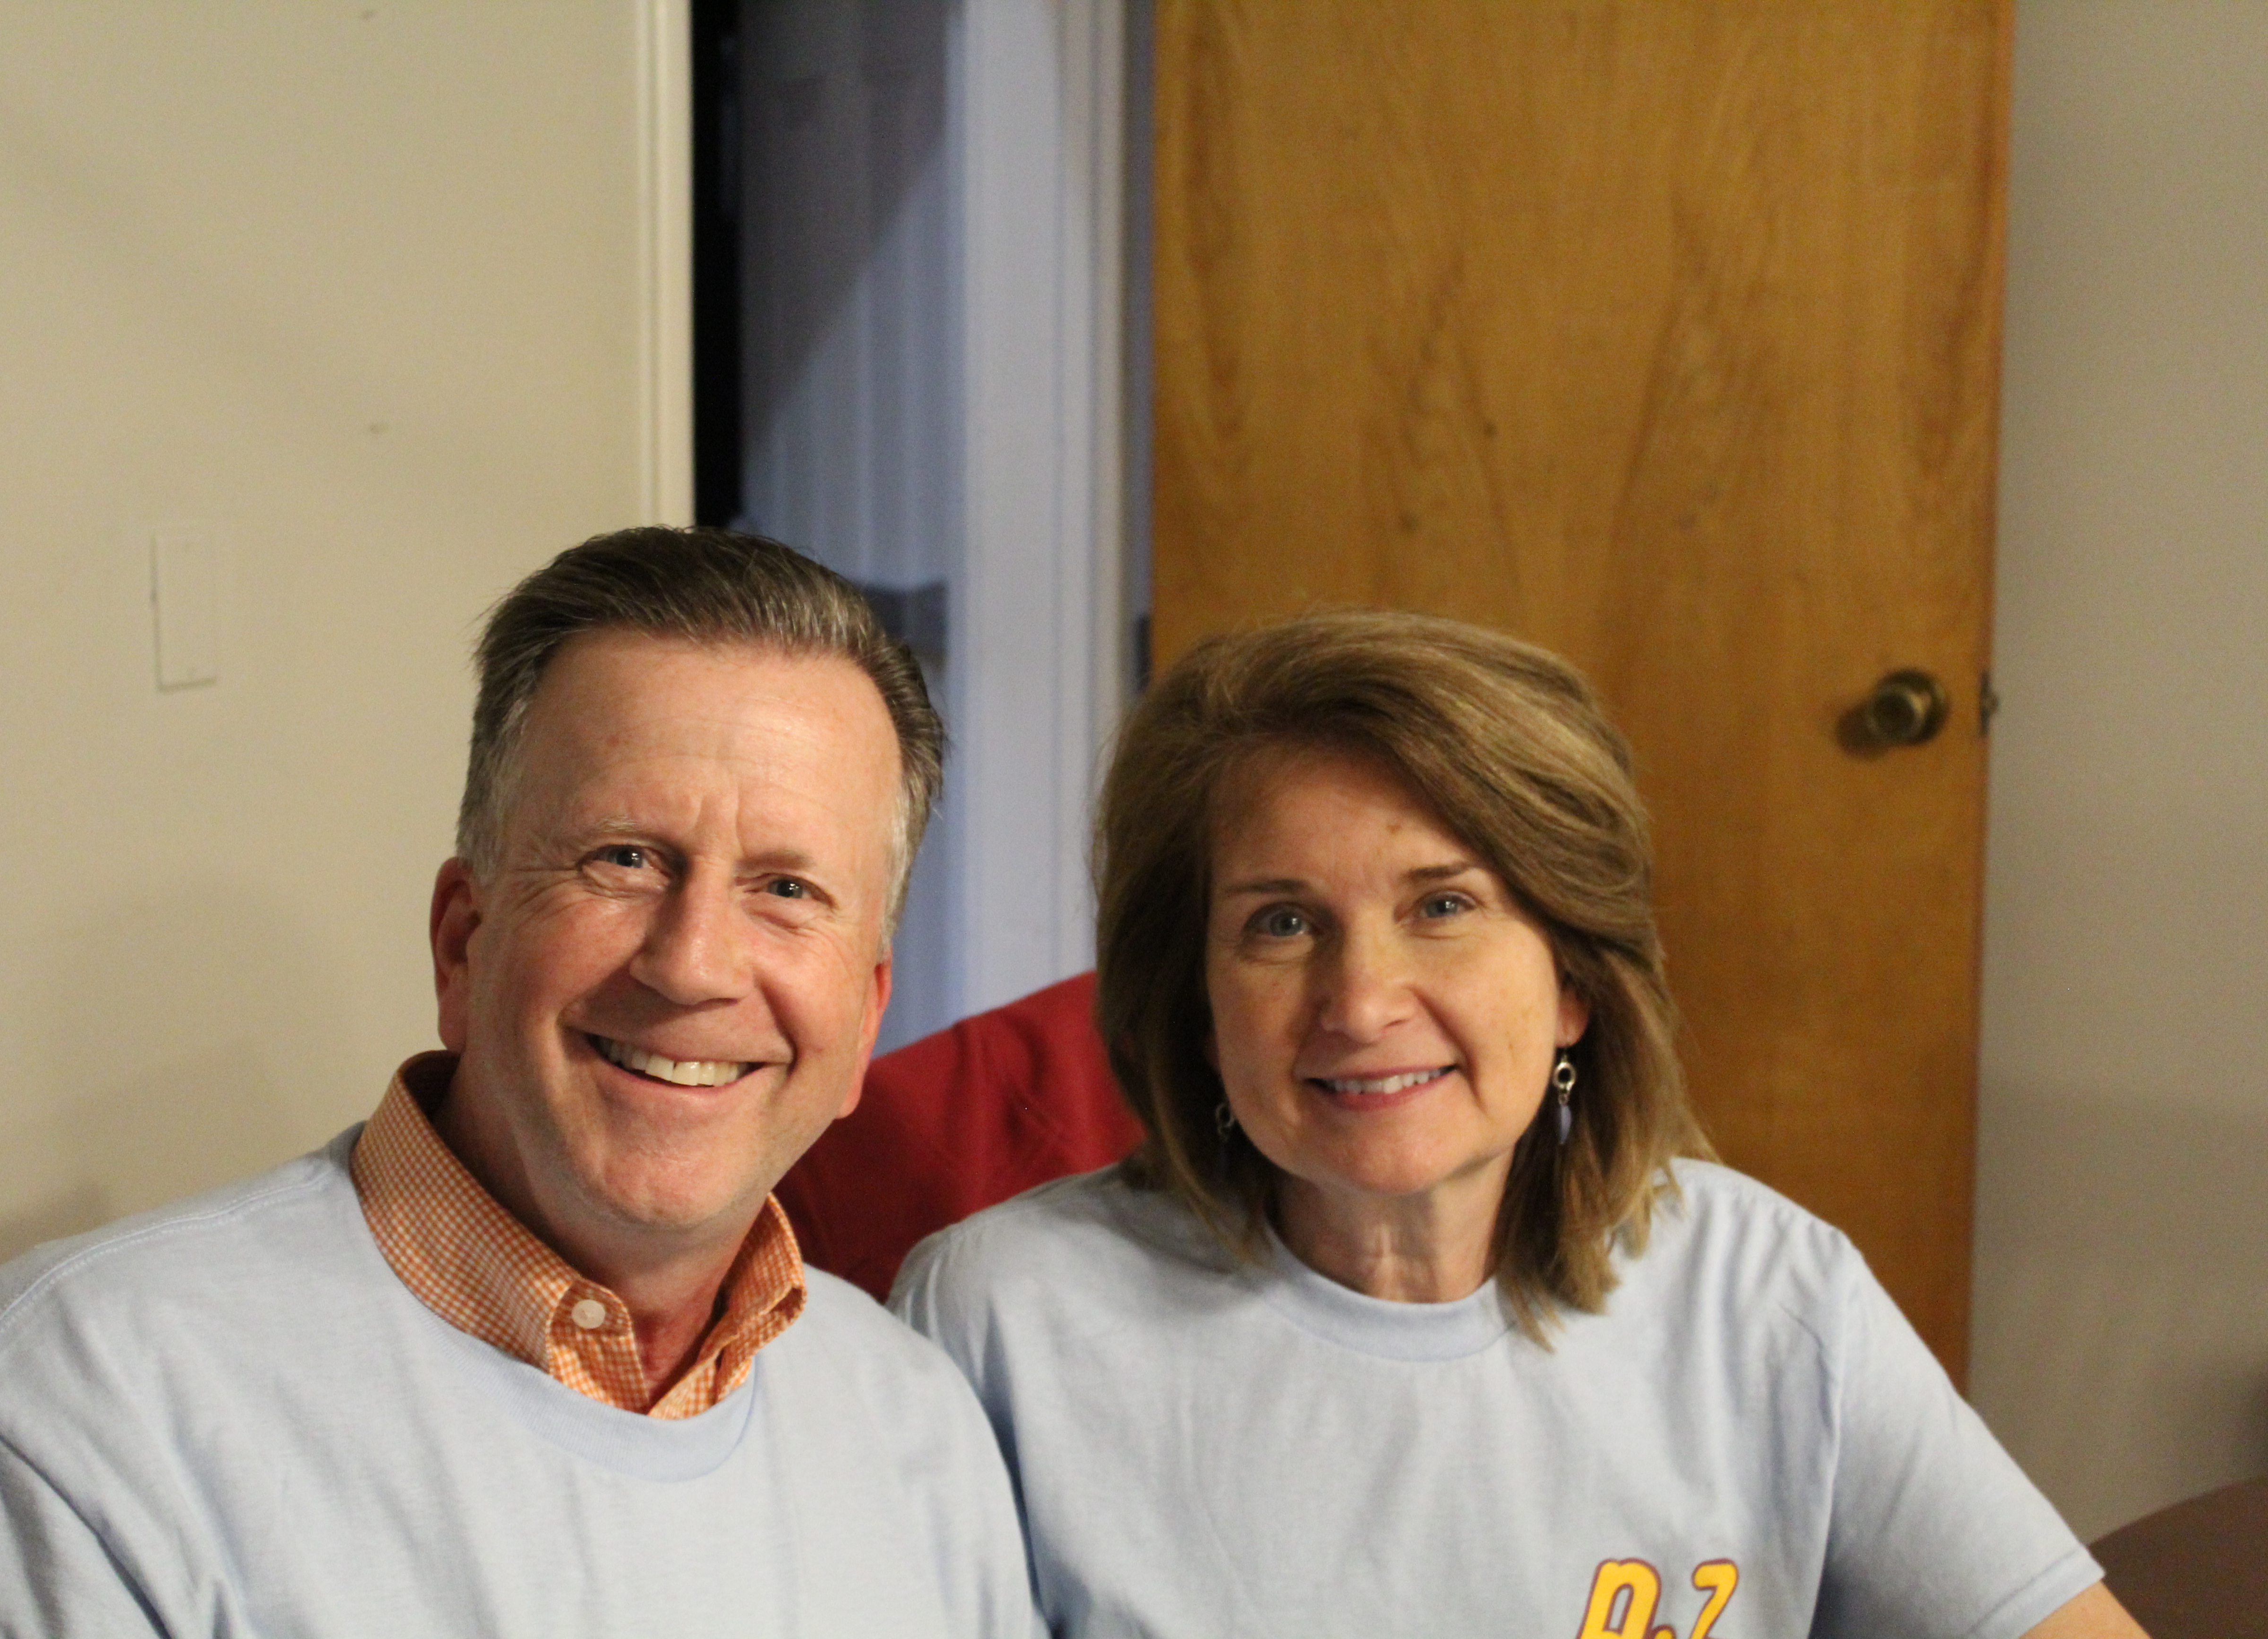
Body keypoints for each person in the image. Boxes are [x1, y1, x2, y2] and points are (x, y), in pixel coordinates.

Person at [0, 528, 1042, 1637]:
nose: (694, 965)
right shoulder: (66, 1417)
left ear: (866, 1018)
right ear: (464, 943)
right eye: (623, 859)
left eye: (787, 890)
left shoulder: (916, 1427)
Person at [894, 610, 2147, 1639]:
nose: (1365, 1001)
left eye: (1443, 905)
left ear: (1574, 983)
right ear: (1196, 1002)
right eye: (1280, 922)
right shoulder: (1000, 1317)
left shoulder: (1769, 1295)